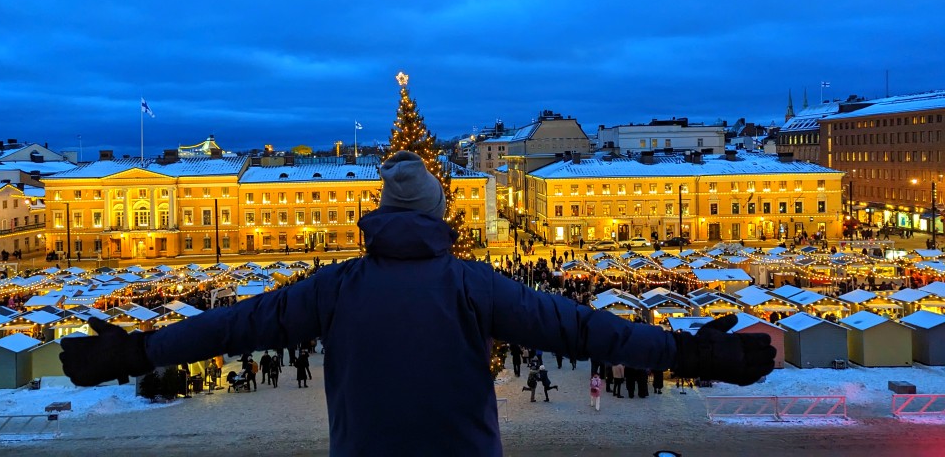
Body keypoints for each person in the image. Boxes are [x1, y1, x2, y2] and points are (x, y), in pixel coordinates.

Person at [60, 151, 775, 457]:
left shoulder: (336, 288)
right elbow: (584, 330)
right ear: (440, 216)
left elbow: (234, 326)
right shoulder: (472, 284)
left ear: (377, 217)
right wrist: (689, 352)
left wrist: (136, 351)